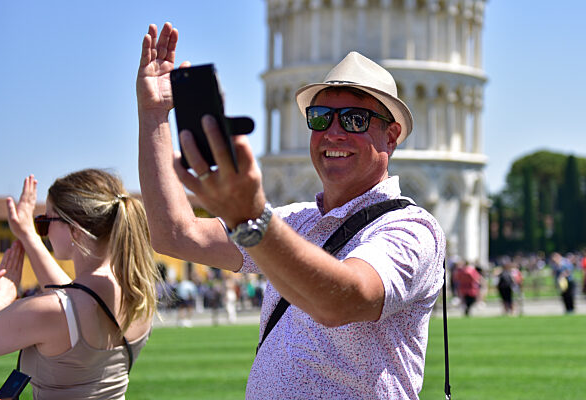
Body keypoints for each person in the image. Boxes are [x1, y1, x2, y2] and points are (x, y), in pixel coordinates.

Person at [137, 22, 445, 400]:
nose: (334, 133)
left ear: (391, 136)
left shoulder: (412, 229)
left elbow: (341, 301)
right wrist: (153, 117)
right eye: (320, 118)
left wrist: (252, 221)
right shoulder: (295, 221)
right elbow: (175, 234)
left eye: (354, 119)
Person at [0, 170, 160, 399]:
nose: (45, 233)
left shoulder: (52, 311)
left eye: (46, 222)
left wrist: (1, 297)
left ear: (75, 230)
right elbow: (74, 298)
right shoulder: (136, 294)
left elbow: (66, 306)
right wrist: (28, 235)